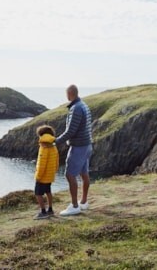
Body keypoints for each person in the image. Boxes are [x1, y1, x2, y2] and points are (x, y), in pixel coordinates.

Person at [55, 84, 93, 216]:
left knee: (69, 174)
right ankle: (83, 202)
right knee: (84, 173)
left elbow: (71, 131)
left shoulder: (76, 108)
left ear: (70, 94)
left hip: (79, 147)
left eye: (66, 93)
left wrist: (56, 141)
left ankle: (75, 206)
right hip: (87, 145)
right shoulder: (84, 105)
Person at [33, 125, 59, 220]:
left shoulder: (43, 147)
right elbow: (57, 161)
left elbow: (41, 164)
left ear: (41, 135)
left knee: (38, 193)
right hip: (50, 175)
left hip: (43, 176)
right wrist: (54, 171)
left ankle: (43, 212)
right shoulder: (53, 146)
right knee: (48, 191)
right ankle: (50, 209)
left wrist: (38, 176)